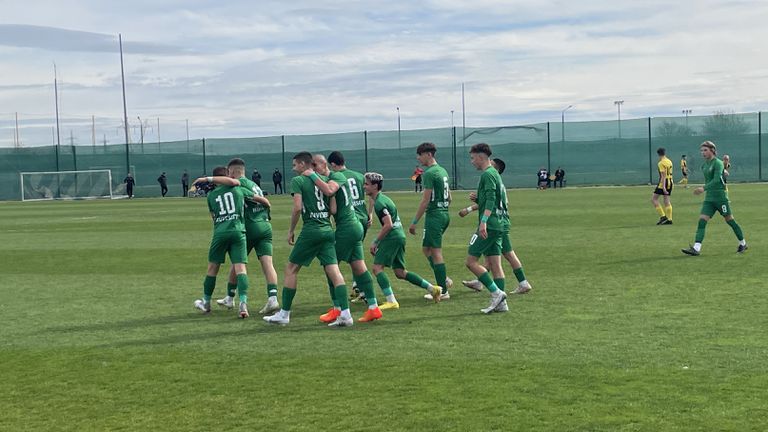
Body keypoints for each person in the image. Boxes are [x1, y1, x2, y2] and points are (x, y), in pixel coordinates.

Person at [263, 152, 353, 327]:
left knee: (291, 269)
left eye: (295, 165)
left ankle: (284, 314)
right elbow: (333, 209)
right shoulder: (325, 180)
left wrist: (291, 230)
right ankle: (346, 314)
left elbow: (297, 208)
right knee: (334, 271)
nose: (293, 168)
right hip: (327, 229)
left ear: (303, 164)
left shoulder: (298, 181)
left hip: (311, 230)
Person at [306, 154, 382, 323]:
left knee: (330, 266)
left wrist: (311, 176)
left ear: (326, 164)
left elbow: (331, 197)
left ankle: (339, 310)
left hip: (347, 227)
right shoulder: (338, 178)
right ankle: (373, 307)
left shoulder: (336, 177)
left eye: (315, 165)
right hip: (355, 225)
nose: (313, 168)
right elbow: (334, 207)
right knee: (359, 266)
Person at [364, 172, 442, 309]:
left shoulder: (380, 203)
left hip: (393, 237)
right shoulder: (383, 199)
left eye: (367, 184)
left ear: (375, 186)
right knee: (400, 272)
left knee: (377, 268)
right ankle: (432, 289)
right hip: (399, 235)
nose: (364, 186)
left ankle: (391, 301)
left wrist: (376, 241)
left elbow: (388, 225)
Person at [214, 158, 280, 316]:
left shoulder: (239, 184)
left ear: (232, 172)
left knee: (238, 262)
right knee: (268, 263)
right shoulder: (253, 184)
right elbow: (265, 203)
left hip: (250, 226)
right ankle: (273, 298)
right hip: (265, 226)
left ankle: (230, 297)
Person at [460, 158, 532, 295]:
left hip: (496, 222)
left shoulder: (491, 179)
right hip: (502, 221)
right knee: (496, 255)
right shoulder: (499, 183)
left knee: (500, 256)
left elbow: (491, 202)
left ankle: (517, 284)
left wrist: (469, 209)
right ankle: (483, 283)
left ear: (495, 168)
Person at [192, 166, 253, 319]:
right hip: (238, 231)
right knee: (241, 268)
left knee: (212, 268)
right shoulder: (238, 189)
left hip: (220, 232)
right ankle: (243, 303)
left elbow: (213, 217)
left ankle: (206, 302)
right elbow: (256, 198)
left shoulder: (211, 195)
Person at [464, 143, 508, 314]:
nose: (472, 161)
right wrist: (478, 200)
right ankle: (502, 304)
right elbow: (495, 199)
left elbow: (491, 200)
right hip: (500, 223)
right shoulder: (495, 174)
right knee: (496, 265)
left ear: (481, 157)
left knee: (471, 262)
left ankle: (497, 293)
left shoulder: (487, 174)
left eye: (473, 158)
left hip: (490, 224)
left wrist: (483, 222)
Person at [682, 141, 747, 256]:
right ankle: (696, 248)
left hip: (720, 198)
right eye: (701, 151)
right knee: (702, 221)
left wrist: (703, 188)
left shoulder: (718, 163)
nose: (703, 153)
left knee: (730, 221)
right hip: (709, 199)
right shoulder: (704, 165)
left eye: (705, 150)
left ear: (712, 150)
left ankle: (743, 243)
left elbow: (717, 180)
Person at [327, 150, 374, 303]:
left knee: (335, 262)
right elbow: (372, 194)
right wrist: (370, 213)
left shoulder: (336, 177)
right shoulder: (359, 176)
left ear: (333, 164)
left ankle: (342, 302)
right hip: (363, 219)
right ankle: (361, 290)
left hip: (349, 219)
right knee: (356, 256)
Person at [408, 142, 453, 301]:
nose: (418, 158)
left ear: (428, 154)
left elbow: (425, 201)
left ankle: (443, 291)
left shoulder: (430, 173)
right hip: (444, 214)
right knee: (426, 249)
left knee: (435, 252)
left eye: (420, 155)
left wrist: (414, 222)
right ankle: (444, 279)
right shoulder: (442, 171)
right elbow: (450, 197)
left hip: (434, 216)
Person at [652, 148, 674, 225]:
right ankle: (669, 219)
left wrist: (663, 187)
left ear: (658, 154)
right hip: (670, 181)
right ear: (664, 153)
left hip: (664, 182)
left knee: (654, 199)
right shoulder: (669, 161)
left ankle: (663, 216)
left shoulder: (661, 163)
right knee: (666, 200)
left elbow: (663, 175)